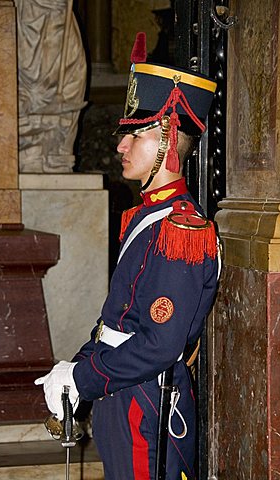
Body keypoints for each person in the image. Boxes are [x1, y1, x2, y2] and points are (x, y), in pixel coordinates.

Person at [35, 32, 219, 480]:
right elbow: (118, 321)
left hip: (147, 405)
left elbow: (159, 344)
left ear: (167, 142)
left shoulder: (182, 230)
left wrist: (84, 379)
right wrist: (78, 365)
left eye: (134, 136)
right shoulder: (150, 217)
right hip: (122, 395)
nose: (120, 146)